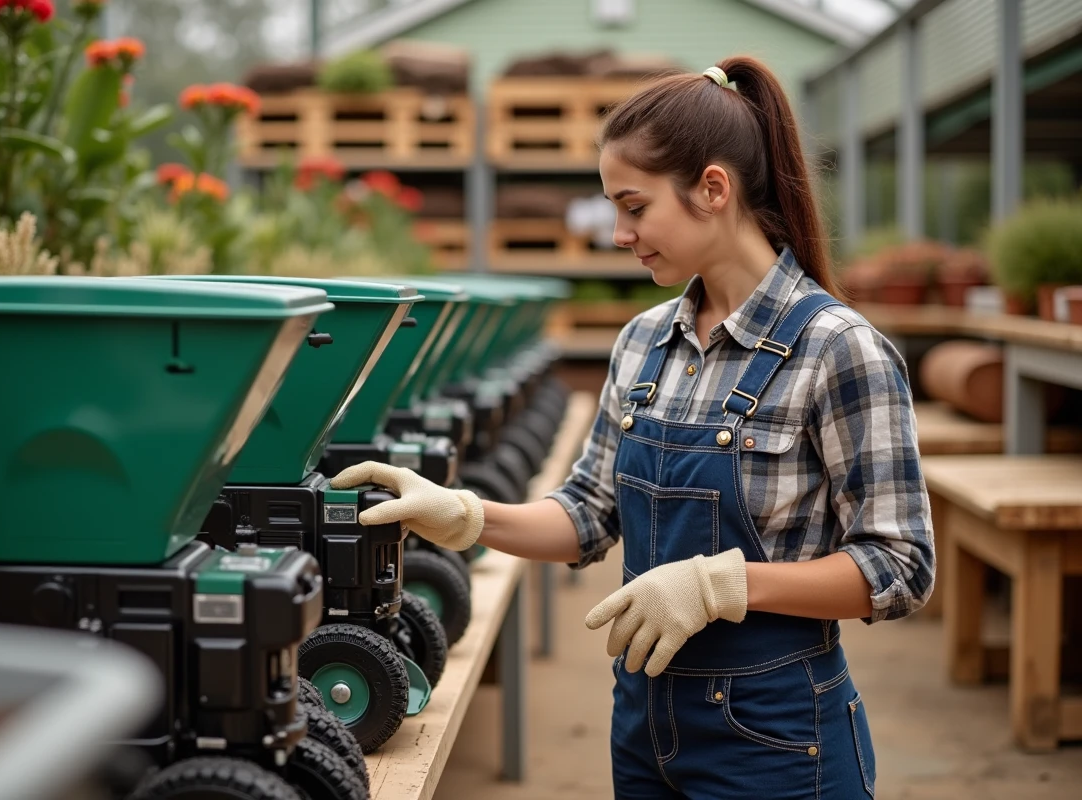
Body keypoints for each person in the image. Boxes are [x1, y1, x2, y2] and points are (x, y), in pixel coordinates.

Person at [331, 55, 935, 800]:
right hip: (645, 727)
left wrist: (725, 584)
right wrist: (466, 513)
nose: (619, 232)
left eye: (635, 205)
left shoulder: (838, 350)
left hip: (780, 741)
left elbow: (899, 568)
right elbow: (589, 514)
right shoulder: (645, 342)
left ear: (714, 189)